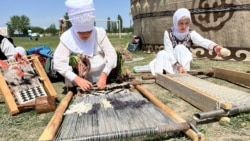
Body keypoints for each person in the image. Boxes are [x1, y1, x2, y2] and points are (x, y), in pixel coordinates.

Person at [53, 0, 117, 91]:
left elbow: (112, 55)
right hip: (77, 76)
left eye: (89, 31)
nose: (86, 35)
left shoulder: (99, 33)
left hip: (102, 72)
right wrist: (77, 79)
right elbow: (58, 62)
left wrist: (104, 75)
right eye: (81, 32)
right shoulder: (67, 37)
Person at [149, 8, 225, 76]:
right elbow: (169, 51)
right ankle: (160, 75)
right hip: (172, 61)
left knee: (180, 47)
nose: (184, 26)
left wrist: (215, 47)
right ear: (175, 22)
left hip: (184, 62)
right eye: (181, 23)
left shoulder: (190, 33)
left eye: (187, 23)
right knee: (162, 53)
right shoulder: (168, 33)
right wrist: (177, 65)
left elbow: (202, 41)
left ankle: (183, 74)